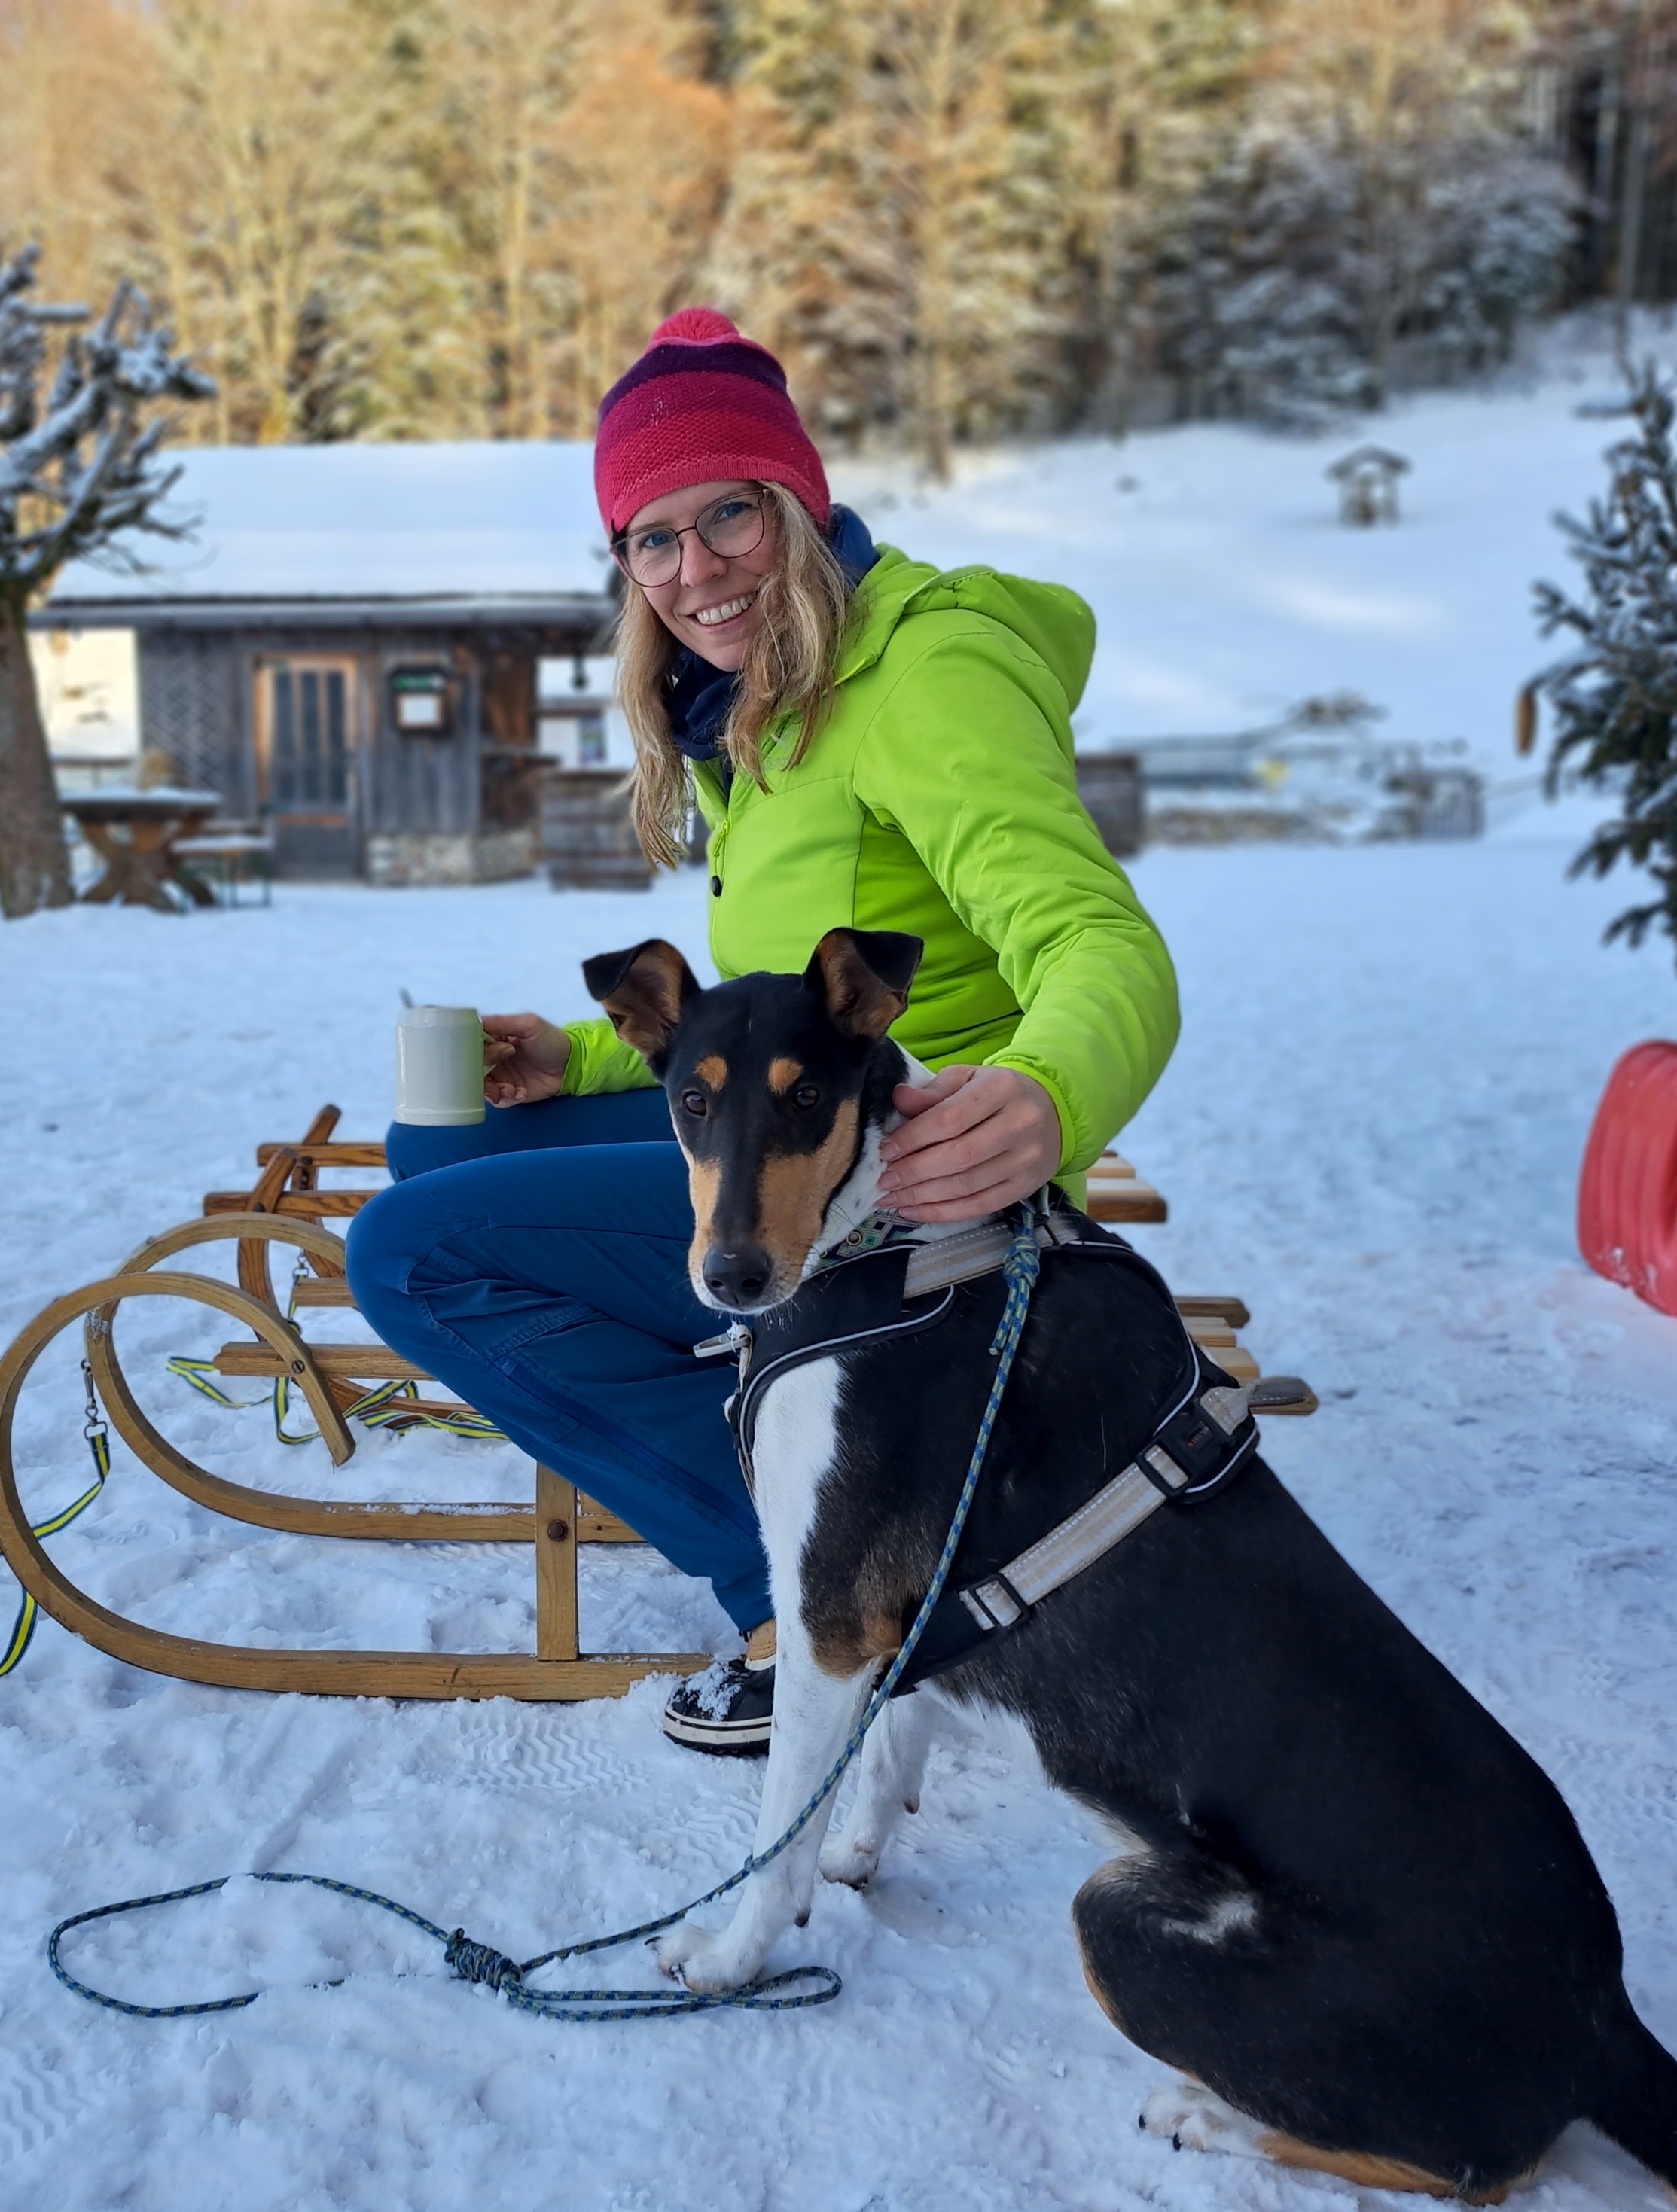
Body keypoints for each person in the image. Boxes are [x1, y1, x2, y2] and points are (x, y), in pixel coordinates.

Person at [345, 307, 1178, 1754]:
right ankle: (760, 1407)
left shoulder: (921, 680)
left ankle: (794, 1596)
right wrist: (589, 1058)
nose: (694, 570)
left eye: (727, 514)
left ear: (797, 504)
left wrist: (1046, 1096)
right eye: (650, 541)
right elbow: (763, 1010)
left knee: (406, 1251)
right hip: (797, 1119)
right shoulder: (756, 706)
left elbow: (1101, 939)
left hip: (920, 1173)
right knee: (439, 1141)